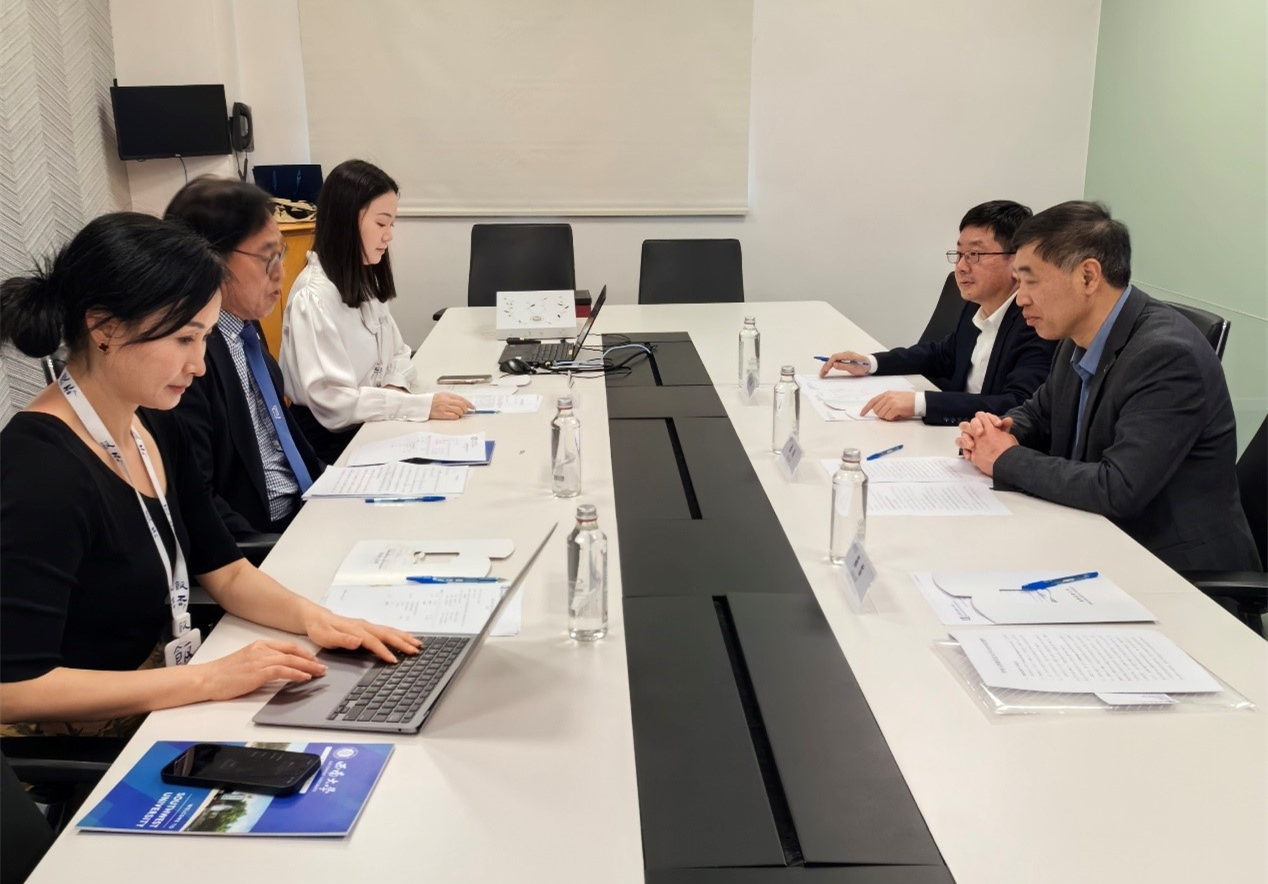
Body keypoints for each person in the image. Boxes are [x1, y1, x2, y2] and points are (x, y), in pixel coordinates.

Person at [0, 213, 420, 734]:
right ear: (104, 328)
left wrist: (322, 621)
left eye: (204, 338)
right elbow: (13, 690)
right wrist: (209, 679)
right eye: (184, 340)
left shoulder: (151, 421)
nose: (198, 365)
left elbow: (226, 572)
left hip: (162, 690)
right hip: (83, 732)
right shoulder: (38, 469)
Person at [956, 200, 1259, 573]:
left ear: (1087, 277)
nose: (1020, 299)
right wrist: (998, 430)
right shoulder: (1076, 335)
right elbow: (1039, 412)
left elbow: (1118, 488)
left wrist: (1005, 458)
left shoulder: (1167, 355)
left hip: (1173, 571)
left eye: (1031, 280)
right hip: (1094, 539)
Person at [165, 177, 325, 540]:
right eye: (267, 257)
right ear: (210, 260)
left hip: (307, 510)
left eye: (281, 253)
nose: (280, 273)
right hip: (261, 539)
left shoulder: (244, 328)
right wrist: (279, 547)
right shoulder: (186, 359)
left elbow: (285, 444)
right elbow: (198, 501)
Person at [280, 159, 471, 461]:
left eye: (391, 224)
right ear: (346, 222)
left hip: (371, 423)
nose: (389, 235)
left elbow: (399, 353)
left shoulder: (363, 281)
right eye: (381, 224)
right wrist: (413, 406)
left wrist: (394, 389)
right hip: (331, 443)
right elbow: (335, 405)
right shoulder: (313, 297)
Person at [819, 201, 1055, 425]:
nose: (961, 267)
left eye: (974, 254)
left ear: (1016, 261)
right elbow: (941, 355)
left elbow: (1017, 404)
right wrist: (871, 363)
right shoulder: (975, 305)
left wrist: (920, 403)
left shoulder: (1034, 321)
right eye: (959, 254)